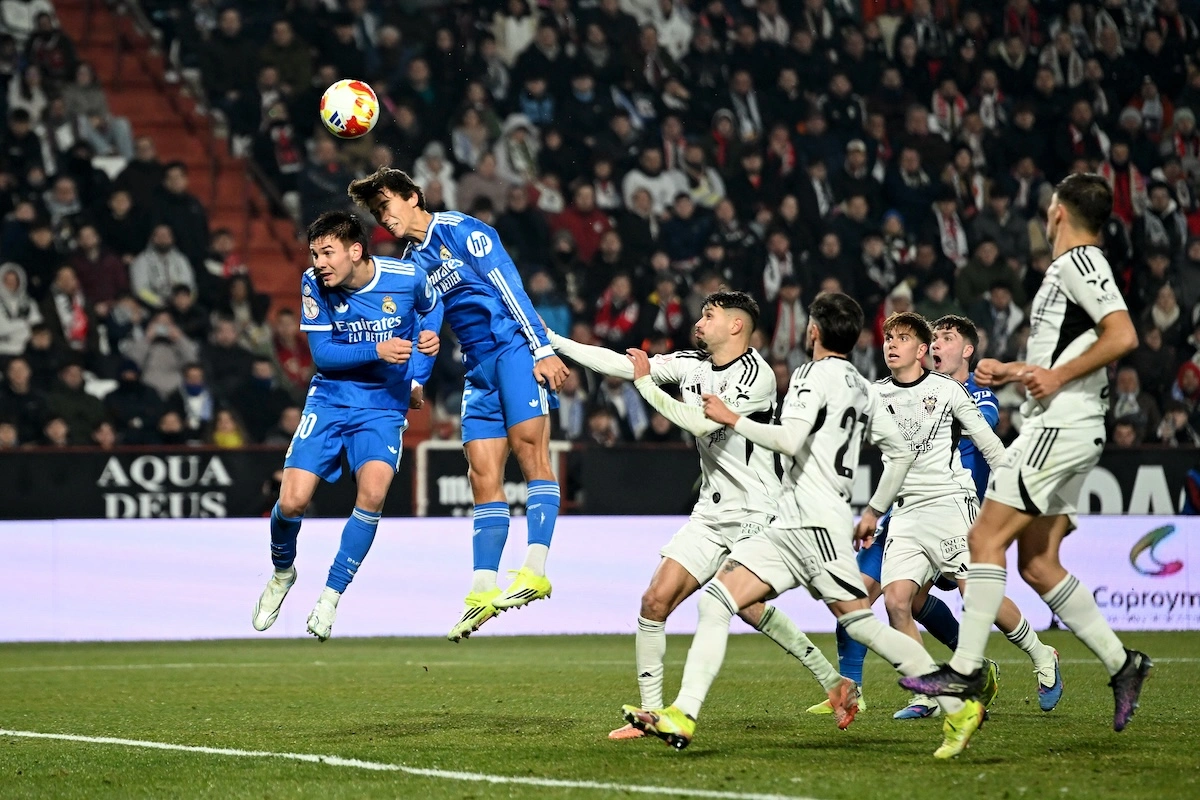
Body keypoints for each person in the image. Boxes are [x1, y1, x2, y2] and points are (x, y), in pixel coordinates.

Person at [624, 292, 986, 759]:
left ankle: (685, 711)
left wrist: (733, 418)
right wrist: (873, 510)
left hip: (804, 521)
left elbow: (791, 439)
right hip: (822, 519)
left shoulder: (810, 375)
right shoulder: (862, 385)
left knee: (723, 601)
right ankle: (958, 702)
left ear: (812, 331)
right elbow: (898, 453)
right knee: (854, 622)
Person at [899, 173, 1151, 751]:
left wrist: (1056, 378)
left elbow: (1123, 334)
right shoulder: (1072, 270)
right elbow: (1069, 354)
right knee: (1038, 564)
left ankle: (963, 670)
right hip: (1065, 423)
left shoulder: (1079, 263)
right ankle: (1123, 664)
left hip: (1060, 428)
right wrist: (1016, 372)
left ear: (1059, 210)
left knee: (983, 538)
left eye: (1048, 205)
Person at [547, 291, 851, 739]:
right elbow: (622, 364)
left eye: (709, 314)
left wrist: (647, 384)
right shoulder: (691, 362)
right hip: (711, 512)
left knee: (743, 607)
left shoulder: (757, 375)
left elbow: (701, 423)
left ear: (735, 326)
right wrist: (553, 340)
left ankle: (833, 682)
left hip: (760, 511)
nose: (700, 319)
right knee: (654, 600)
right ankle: (651, 714)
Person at [348, 167, 571, 642]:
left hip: (513, 349)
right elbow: (424, 331)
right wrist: (414, 382)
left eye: (386, 204)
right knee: (481, 473)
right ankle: (482, 590)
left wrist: (542, 349)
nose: (382, 217)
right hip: (478, 369)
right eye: (376, 212)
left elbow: (510, 285)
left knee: (531, 453)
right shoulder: (413, 264)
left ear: (412, 197)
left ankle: (535, 568)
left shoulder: (461, 230)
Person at [848, 312, 1062, 721]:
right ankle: (928, 691)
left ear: (922, 350)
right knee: (897, 602)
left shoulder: (952, 392)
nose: (891, 344)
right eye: (887, 338)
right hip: (905, 510)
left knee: (975, 594)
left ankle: (1041, 654)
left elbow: (990, 444)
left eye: (903, 338)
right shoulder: (876, 394)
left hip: (952, 504)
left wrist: (1022, 493)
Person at [251, 211, 442, 642]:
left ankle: (331, 597)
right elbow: (323, 356)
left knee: (372, 495)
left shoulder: (405, 277)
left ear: (355, 251)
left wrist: (418, 373)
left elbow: (433, 307)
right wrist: (380, 348)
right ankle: (283, 572)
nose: (318, 262)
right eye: (314, 252)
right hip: (331, 398)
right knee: (293, 501)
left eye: (327, 252)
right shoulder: (312, 283)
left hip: (383, 406)